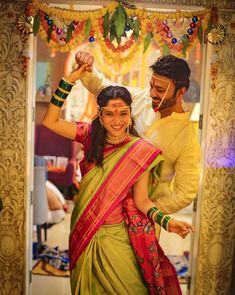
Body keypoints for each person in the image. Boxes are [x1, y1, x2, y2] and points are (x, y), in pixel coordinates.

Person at [43, 63, 193, 295]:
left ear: (130, 116)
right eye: (110, 114)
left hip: (121, 236)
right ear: (100, 116)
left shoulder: (140, 151)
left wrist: (168, 222)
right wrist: (70, 78)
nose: (117, 121)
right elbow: (50, 122)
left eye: (123, 113)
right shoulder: (89, 136)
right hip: (86, 231)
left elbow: (143, 202)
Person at [76, 52, 200, 216]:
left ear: (180, 92)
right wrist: (87, 67)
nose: (152, 94)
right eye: (151, 86)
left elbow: (185, 193)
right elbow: (102, 86)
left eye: (160, 90)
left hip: (143, 221)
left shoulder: (186, 135)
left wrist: (148, 209)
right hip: (107, 204)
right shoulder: (140, 99)